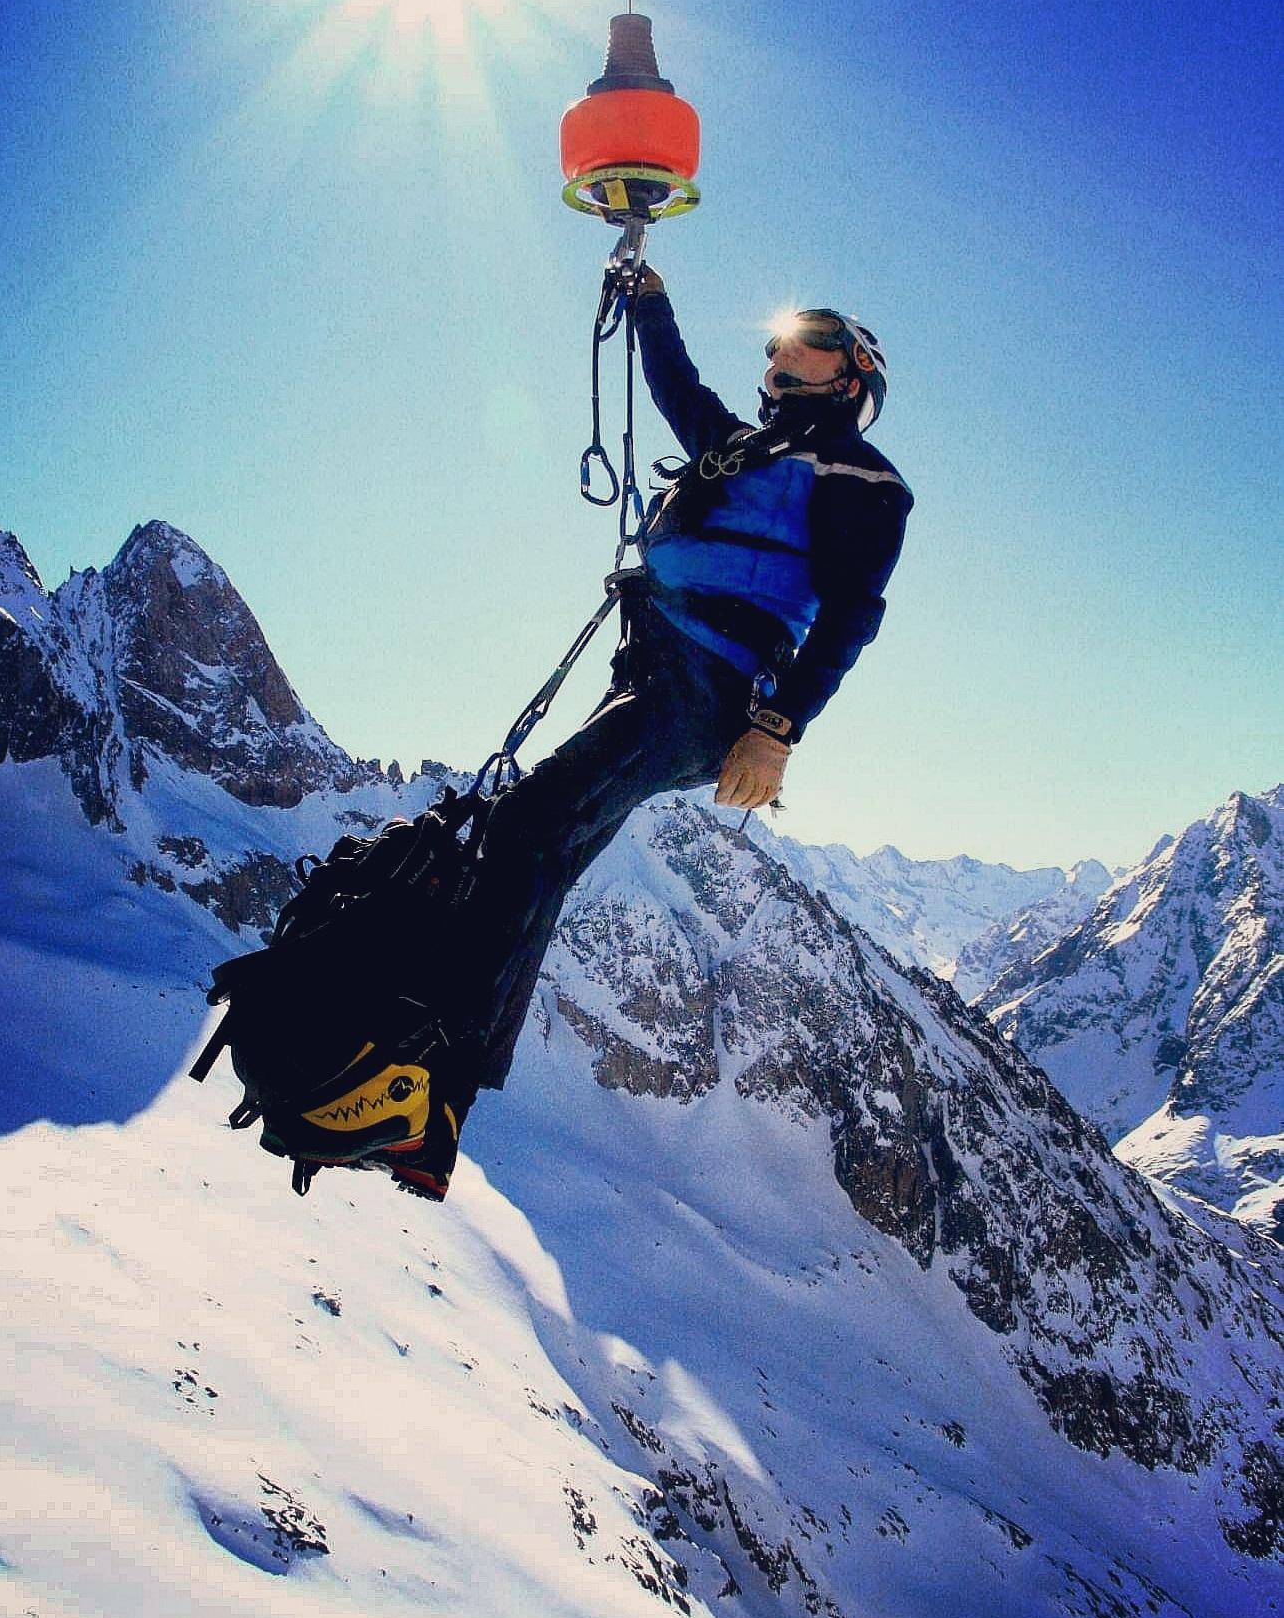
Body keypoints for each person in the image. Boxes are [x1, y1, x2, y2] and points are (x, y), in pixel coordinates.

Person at [386, 271, 914, 1200]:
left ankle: (429, 1090)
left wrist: (776, 728)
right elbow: (678, 387)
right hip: (660, 673)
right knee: (539, 846)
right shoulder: (744, 448)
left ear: (851, 374)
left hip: (707, 690)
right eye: (779, 338)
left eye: (811, 337)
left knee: (524, 831)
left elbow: (849, 617)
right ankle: (429, 1104)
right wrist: (648, 300)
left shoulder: (861, 477)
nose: (782, 347)